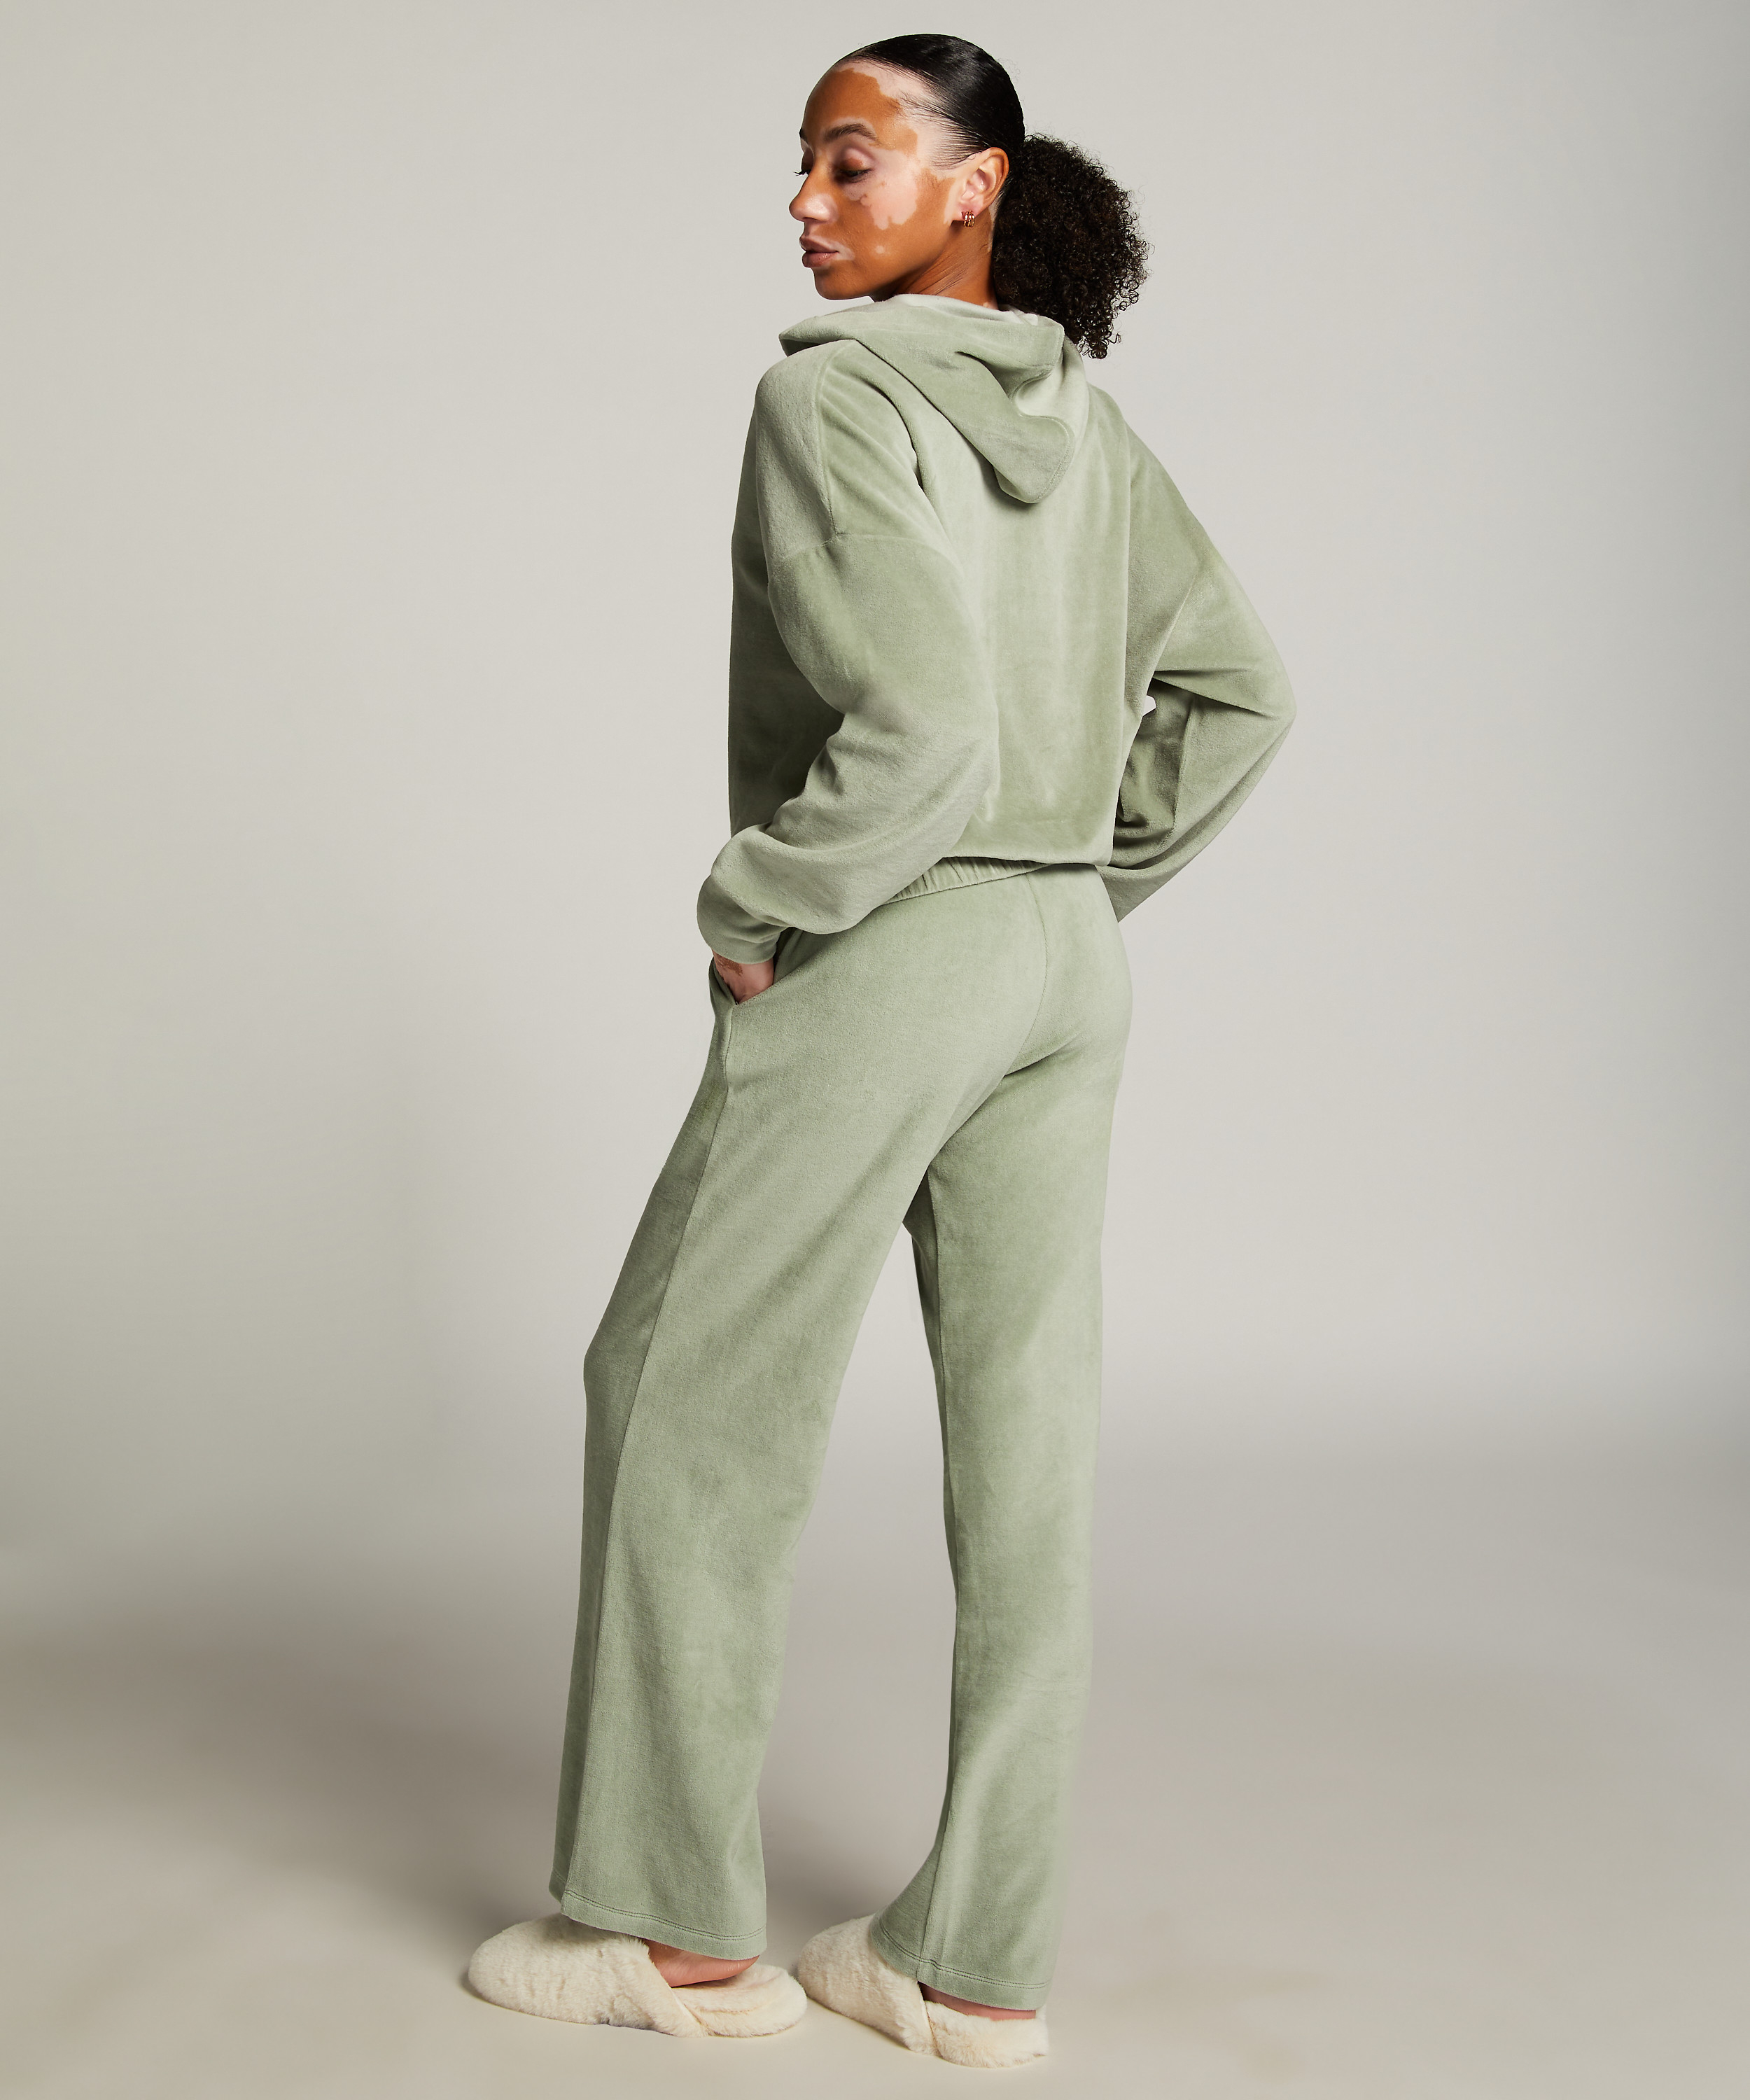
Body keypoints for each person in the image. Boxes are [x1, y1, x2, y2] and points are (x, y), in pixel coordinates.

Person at [466, 31, 1295, 2071]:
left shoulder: (827, 399)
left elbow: (916, 734)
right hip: (1057, 968)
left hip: (891, 945)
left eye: (851, 161)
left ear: (976, 183)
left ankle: (669, 1937)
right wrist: (1073, 883)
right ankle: (970, 1964)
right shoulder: (1086, 424)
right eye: (805, 164)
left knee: (683, 1395)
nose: (806, 199)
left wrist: (758, 901)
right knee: (1029, 1455)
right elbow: (1242, 693)